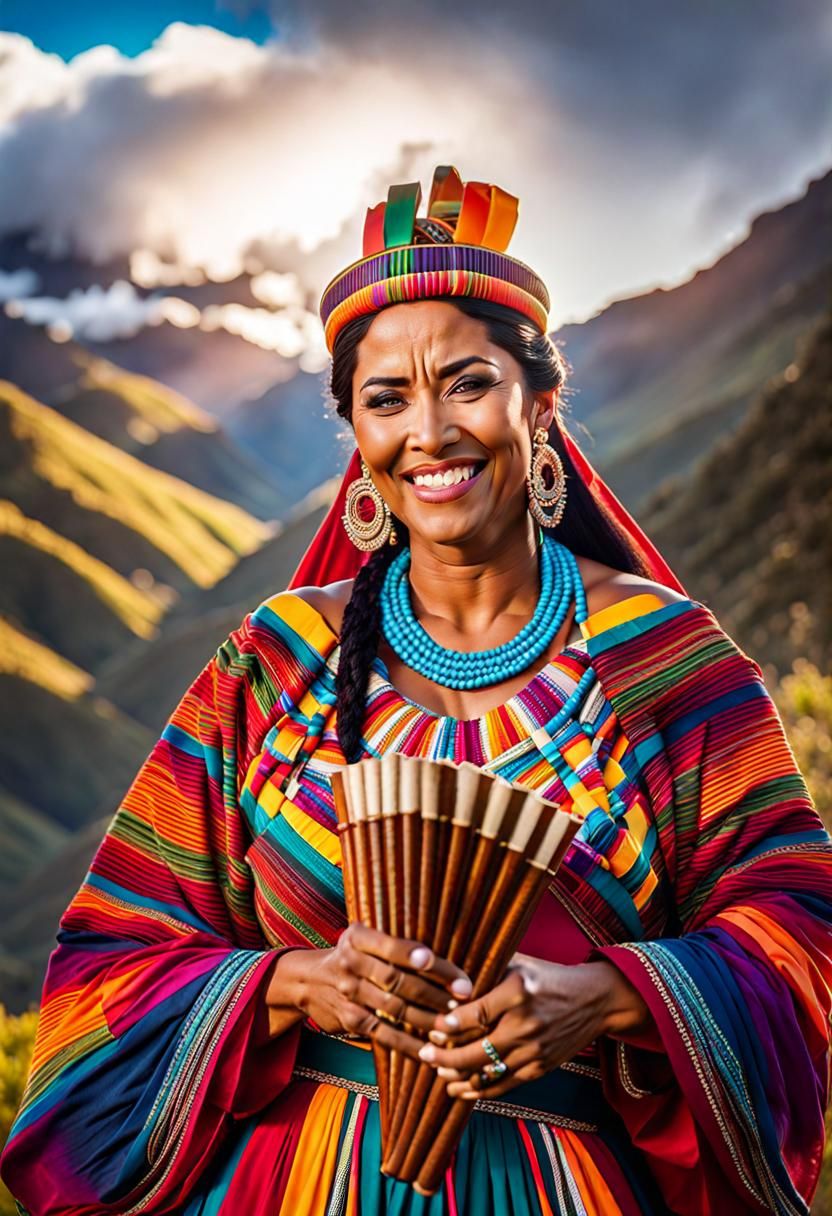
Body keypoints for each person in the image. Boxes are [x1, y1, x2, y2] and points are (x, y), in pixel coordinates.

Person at [2, 165, 831, 1216]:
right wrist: (292, 984)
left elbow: (798, 920)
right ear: (355, 436)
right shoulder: (273, 663)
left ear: (539, 405)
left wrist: (607, 997)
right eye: (385, 397)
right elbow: (119, 947)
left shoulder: (665, 663)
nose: (428, 431)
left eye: (468, 383)